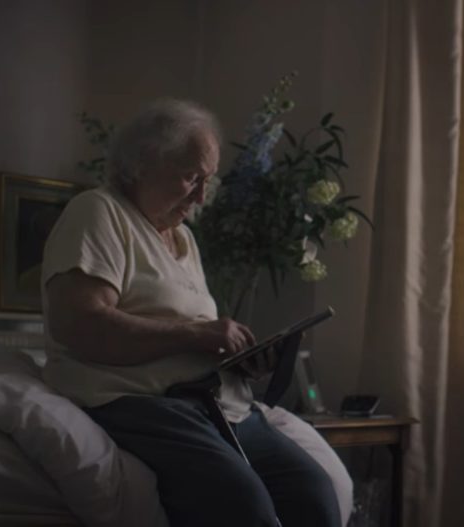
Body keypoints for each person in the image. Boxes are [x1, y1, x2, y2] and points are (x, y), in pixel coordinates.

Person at [41, 99, 352, 527]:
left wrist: (238, 358)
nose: (203, 195)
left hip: (220, 404)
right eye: (191, 177)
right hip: (143, 403)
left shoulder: (184, 238)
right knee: (242, 504)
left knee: (314, 495)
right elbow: (79, 324)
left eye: (209, 180)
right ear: (141, 165)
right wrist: (196, 334)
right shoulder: (100, 211)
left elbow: (194, 333)